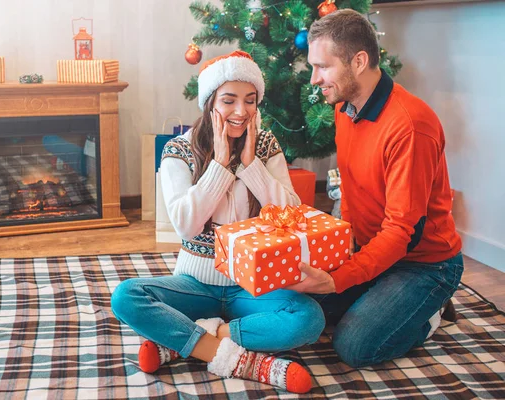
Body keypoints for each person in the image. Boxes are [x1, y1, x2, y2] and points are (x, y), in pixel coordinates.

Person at [111, 51, 324, 394]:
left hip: (251, 285)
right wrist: (221, 166)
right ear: (210, 103)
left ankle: (189, 338)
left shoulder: (266, 144)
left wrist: (252, 165)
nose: (241, 112)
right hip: (195, 282)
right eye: (229, 100)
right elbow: (186, 225)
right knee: (126, 297)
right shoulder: (178, 150)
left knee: (309, 319)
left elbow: (293, 215)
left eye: (250, 101)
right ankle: (246, 362)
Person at [285, 9, 463, 368]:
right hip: (374, 250)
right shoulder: (344, 108)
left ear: (359, 61)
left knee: (354, 346)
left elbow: (402, 234)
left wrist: (339, 280)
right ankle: (387, 300)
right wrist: (343, 249)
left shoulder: (410, 126)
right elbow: (350, 187)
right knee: (296, 303)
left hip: (424, 264)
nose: (314, 79)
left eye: (323, 66)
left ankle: (429, 313)